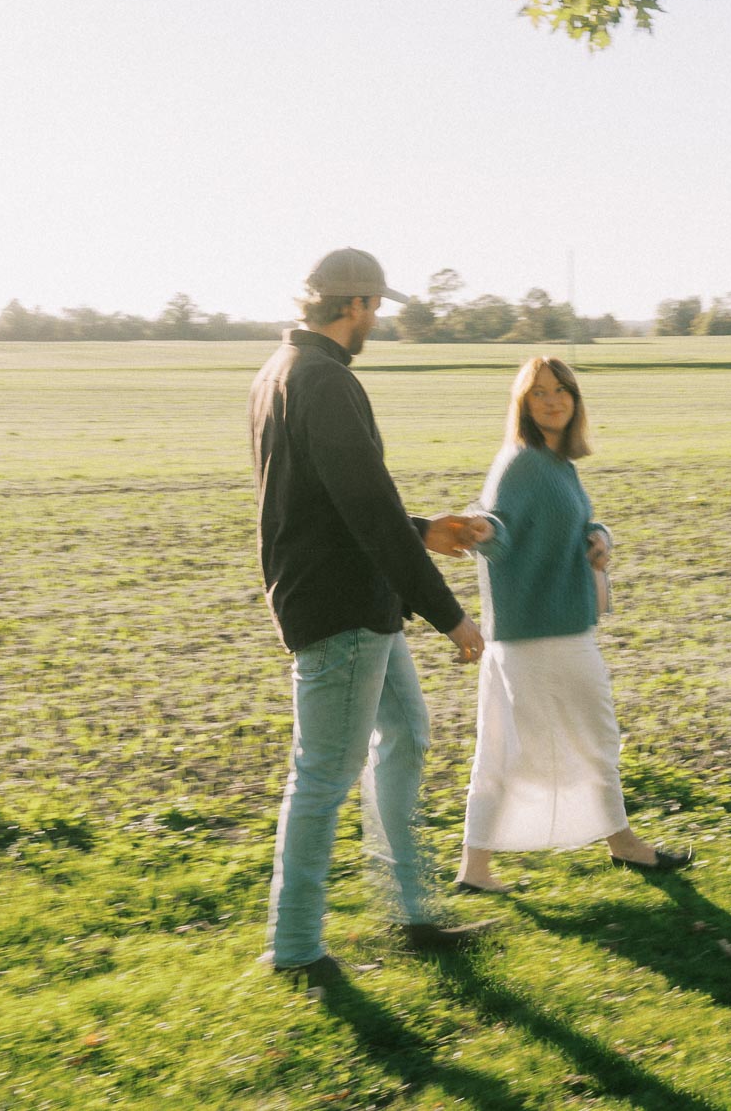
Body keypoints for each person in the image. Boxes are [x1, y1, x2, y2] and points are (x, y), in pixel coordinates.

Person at [250, 247, 493, 988]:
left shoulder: (282, 371)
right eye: (376, 308)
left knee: (407, 737)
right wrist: (451, 616)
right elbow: (361, 511)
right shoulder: (323, 381)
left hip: (357, 601)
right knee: (322, 776)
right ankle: (295, 951)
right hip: (343, 606)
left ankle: (409, 912)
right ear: (354, 305)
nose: (377, 322)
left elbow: (347, 502)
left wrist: (423, 528)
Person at [455, 356, 692, 893]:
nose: (553, 399)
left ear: (576, 399)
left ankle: (476, 870)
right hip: (544, 633)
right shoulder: (523, 462)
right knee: (593, 738)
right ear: (523, 403)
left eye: (562, 389)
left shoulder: (556, 463)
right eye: (539, 392)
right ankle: (623, 845)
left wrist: (600, 535)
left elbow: (571, 520)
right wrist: (484, 531)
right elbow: (501, 528)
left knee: (505, 747)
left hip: (542, 629)